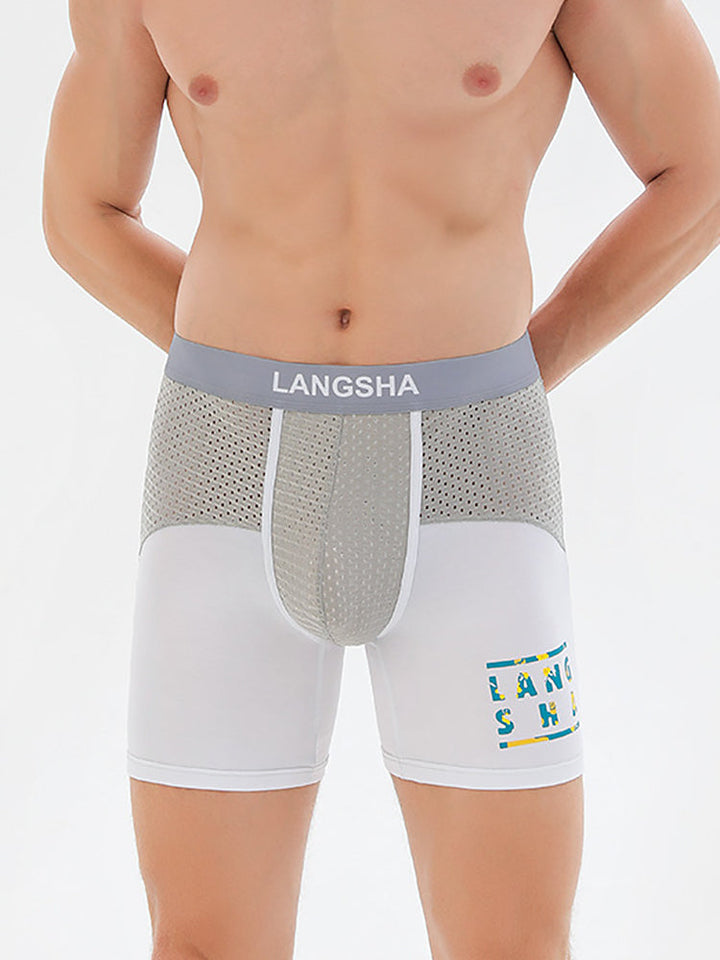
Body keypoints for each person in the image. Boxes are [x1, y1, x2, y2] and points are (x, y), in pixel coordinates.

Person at [41, 0, 720, 957]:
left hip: (477, 481)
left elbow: (701, 168)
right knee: (202, 946)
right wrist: (233, 370)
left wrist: (523, 367)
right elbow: (80, 211)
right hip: (221, 480)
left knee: (513, 947)